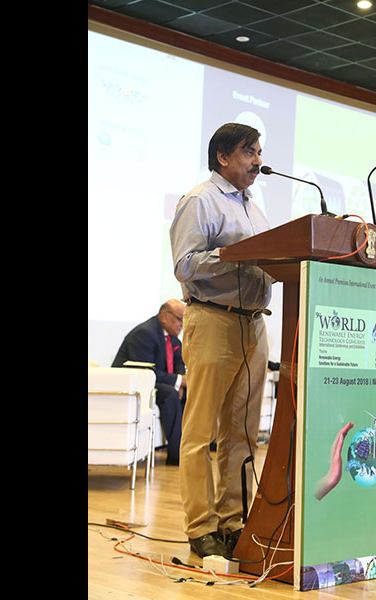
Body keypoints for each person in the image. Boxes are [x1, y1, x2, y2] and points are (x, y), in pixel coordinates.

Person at [169, 122, 273, 559]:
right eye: (250, 152)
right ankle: (201, 526)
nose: (258, 161)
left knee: (243, 432)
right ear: (223, 157)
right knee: (201, 432)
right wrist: (236, 257)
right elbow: (185, 264)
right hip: (213, 320)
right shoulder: (201, 200)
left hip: (254, 325)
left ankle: (234, 521)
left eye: (259, 151)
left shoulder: (254, 208)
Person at [111, 299, 187, 466]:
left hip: (154, 383)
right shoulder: (145, 334)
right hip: (133, 386)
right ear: (164, 316)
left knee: (189, 392)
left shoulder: (173, 338)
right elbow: (146, 372)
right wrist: (179, 381)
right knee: (170, 394)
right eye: (179, 319)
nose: (182, 324)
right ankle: (176, 455)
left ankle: (196, 448)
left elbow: (179, 362)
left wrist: (180, 380)